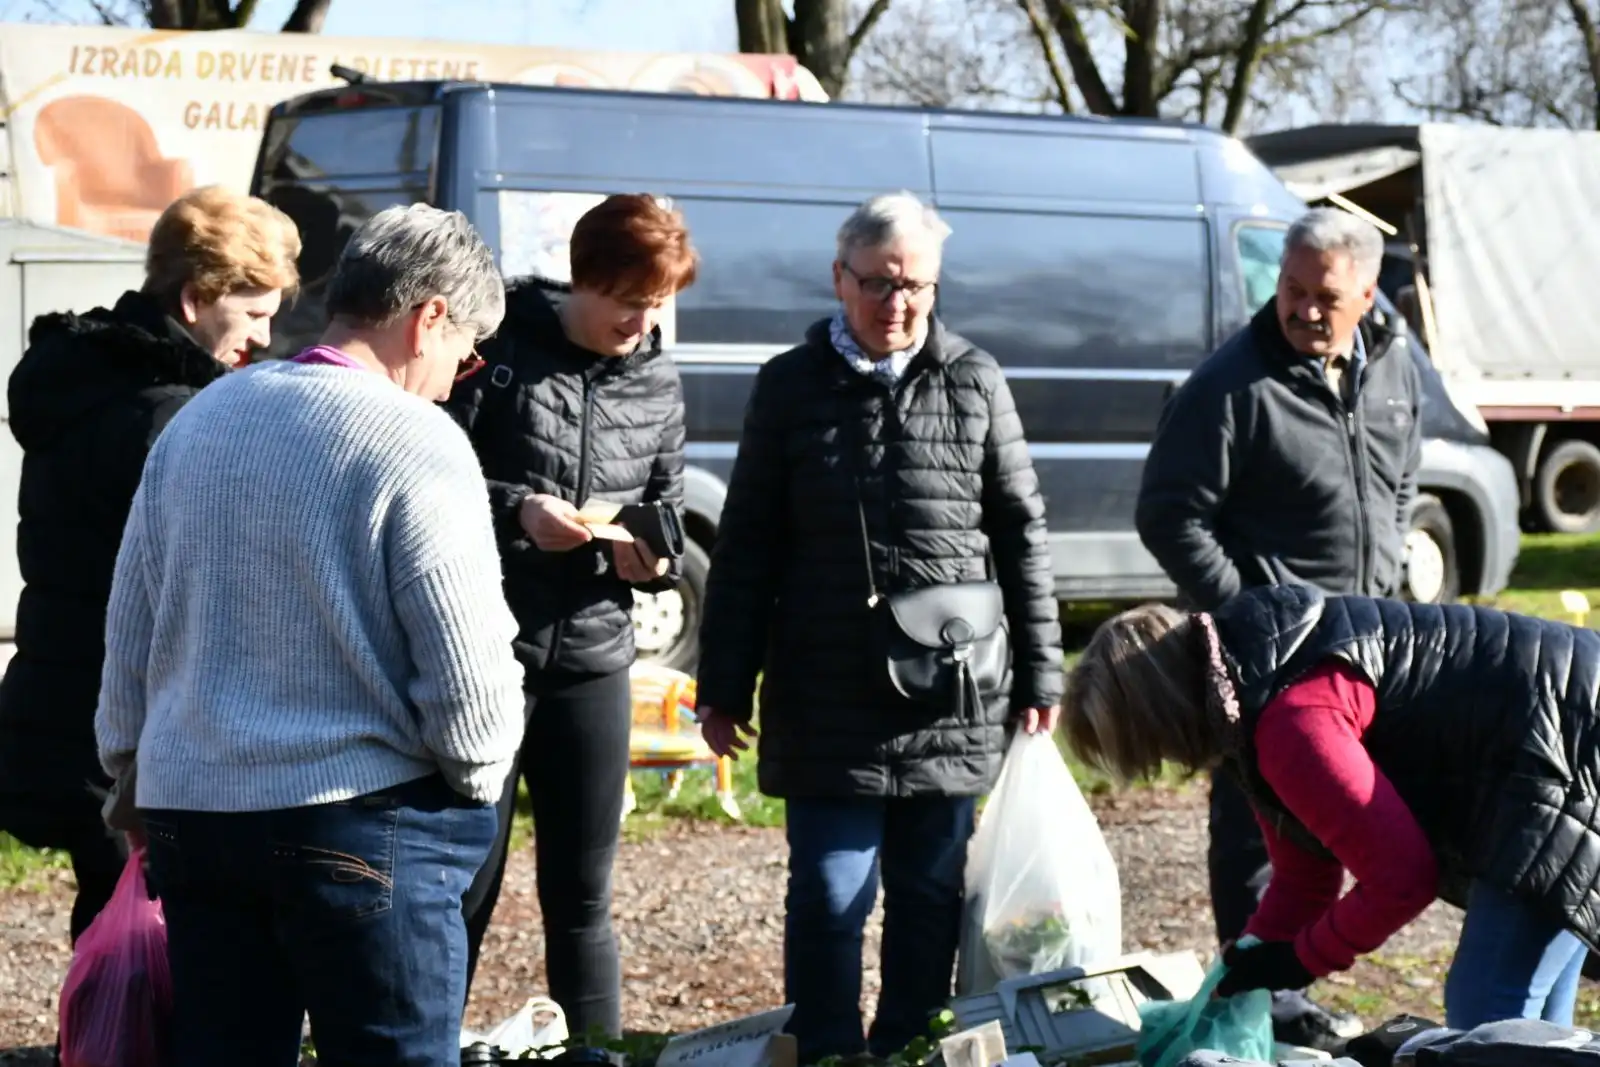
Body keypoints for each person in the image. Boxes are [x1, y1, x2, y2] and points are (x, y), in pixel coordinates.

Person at [95, 204, 526, 1066]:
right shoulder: (415, 438)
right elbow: (469, 687)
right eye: (466, 351)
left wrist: (130, 769)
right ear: (428, 315)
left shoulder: (200, 420)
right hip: (356, 818)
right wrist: (477, 778)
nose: (456, 378)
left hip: (197, 811)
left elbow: (131, 632)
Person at [695, 192, 1064, 1062]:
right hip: (825, 691)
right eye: (880, 283)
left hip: (951, 689)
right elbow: (746, 543)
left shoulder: (976, 379)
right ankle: (826, 1047)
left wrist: (1043, 671)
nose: (898, 304)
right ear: (839, 277)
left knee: (931, 892)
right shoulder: (788, 386)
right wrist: (722, 685)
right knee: (829, 893)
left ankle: (906, 1043)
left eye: (919, 287)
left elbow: (1022, 529)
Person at [1133, 207, 1422, 1050]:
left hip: (1370, 651)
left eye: (1323, 296)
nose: (1300, 308)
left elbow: (1400, 479)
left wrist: (1392, 568)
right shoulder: (1231, 384)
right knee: (1261, 834)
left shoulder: (1395, 365)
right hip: (1268, 667)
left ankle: (1300, 987)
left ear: (1367, 294)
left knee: (1343, 821)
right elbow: (1169, 514)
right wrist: (1252, 617)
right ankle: (1268, 1001)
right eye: (1290, 288)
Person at [1062, 584, 1598, 1031]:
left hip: (1569, 754)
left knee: (1486, 1009)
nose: (1162, 762)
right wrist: (1249, 957)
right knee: (1530, 1020)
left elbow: (1402, 878)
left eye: (1149, 751)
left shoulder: (1292, 720)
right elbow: (1305, 873)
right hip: (1559, 750)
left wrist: (1299, 960)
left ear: (1161, 721)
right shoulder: (1249, 683)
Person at [0, 184, 299, 946]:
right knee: (154, 941)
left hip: (65, 695)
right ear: (198, 299)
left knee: (111, 924)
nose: (263, 341)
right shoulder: (168, 414)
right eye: (256, 313)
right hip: (130, 721)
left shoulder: (85, 373)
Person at [444, 193, 698, 1037]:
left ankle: (598, 1053)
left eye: (657, 304)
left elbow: (665, 504)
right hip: (487, 651)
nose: (642, 321)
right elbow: (430, 474)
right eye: (630, 302)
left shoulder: (658, 376)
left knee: (583, 895)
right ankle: (424, 1044)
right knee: (464, 884)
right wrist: (520, 510)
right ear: (586, 278)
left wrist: (654, 556)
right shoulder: (499, 343)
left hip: (594, 650)